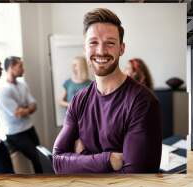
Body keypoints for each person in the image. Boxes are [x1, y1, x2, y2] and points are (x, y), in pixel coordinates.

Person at [53, 8, 162, 174]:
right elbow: (58, 162)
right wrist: (107, 160)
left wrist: (81, 155)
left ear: (121, 48)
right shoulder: (78, 100)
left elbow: (134, 178)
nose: (101, 51)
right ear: (85, 48)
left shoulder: (142, 102)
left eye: (110, 43)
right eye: (93, 42)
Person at [0, 56, 43, 174]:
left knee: (40, 158)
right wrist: (26, 109)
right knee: (37, 158)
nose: (23, 69)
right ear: (11, 68)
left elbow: (34, 104)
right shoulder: (2, 89)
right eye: (20, 66)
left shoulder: (22, 84)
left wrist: (25, 109)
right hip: (15, 133)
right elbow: (18, 113)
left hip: (29, 128)